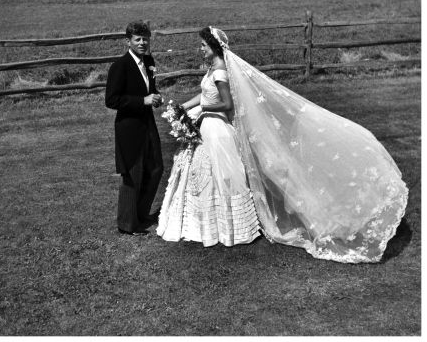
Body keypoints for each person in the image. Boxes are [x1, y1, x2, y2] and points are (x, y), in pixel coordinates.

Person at [157, 27, 408, 263]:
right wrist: (185, 107)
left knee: (220, 174)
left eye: (203, 46)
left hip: (216, 126)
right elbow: (205, 93)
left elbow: (226, 104)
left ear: (214, 46)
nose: (201, 49)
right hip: (207, 123)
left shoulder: (221, 70)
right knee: (206, 172)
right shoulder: (212, 68)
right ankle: (208, 223)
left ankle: (226, 226)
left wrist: (202, 109)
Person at [106, 21, 163, 236]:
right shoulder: (120, 66)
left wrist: (155, 97)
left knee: (156, 168)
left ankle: (141, 213)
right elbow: (111, 100)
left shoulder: (149, 60)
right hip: (129, 129)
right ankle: (127, 224)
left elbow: (149, 88)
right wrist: (143, 101)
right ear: (128, 41)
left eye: (145, 38)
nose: (142, 43)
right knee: (133, 174)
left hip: (148, 124)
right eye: (137, 39)